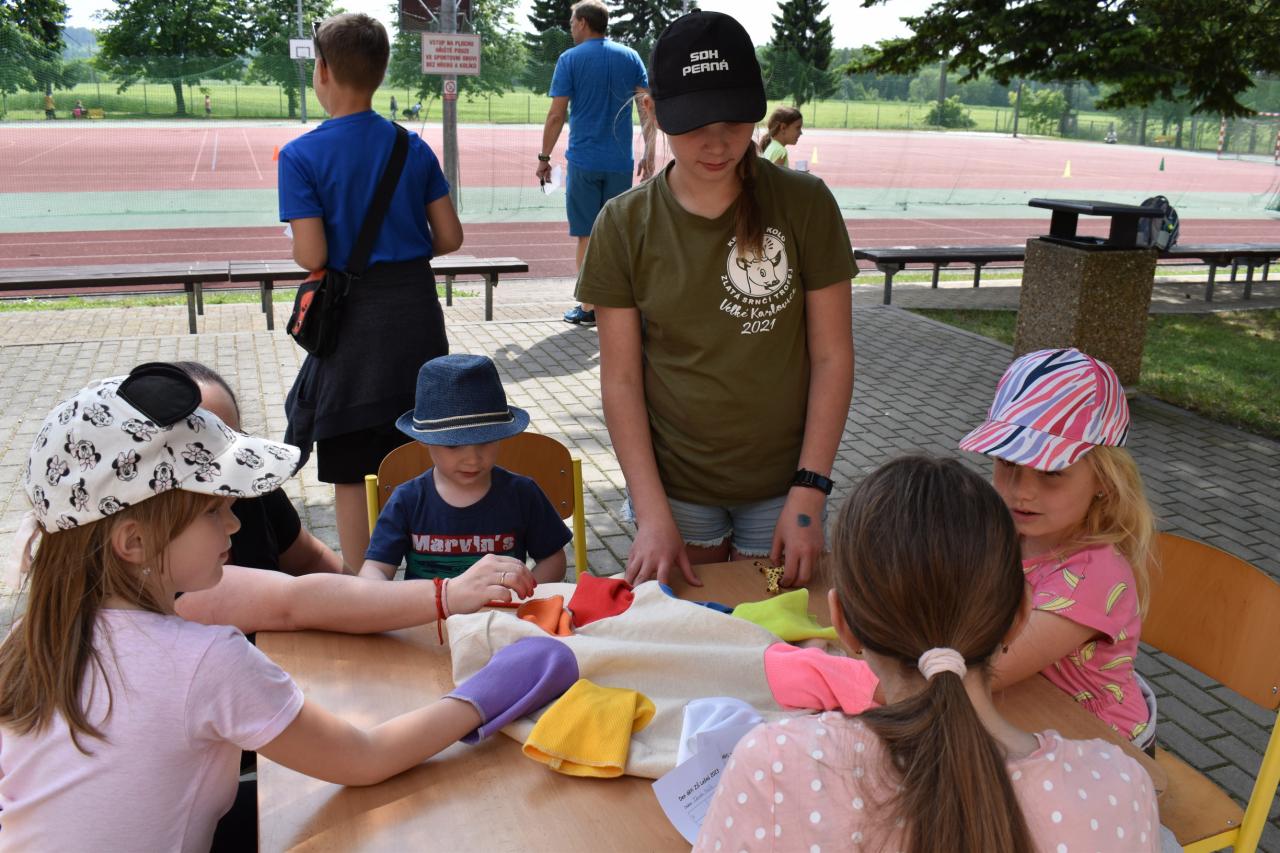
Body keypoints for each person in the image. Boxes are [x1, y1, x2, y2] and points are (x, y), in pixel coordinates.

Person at [0, 364, 563, 851]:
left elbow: (298, 599)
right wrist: (485, 694)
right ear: (134, 542)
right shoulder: (207, 659)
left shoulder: (32, 634)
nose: (235, 523)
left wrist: (444, 594)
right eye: (214, 510)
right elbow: (364, 759)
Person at [697, 455, 1160, 852]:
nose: (1024, 489)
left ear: (842, 622)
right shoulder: (1122, 786)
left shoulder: (773, 764)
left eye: (1051, 472)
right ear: (1021, 615)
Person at [577, 10, 855, 589]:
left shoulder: (805, 204)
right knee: (691, 630)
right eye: (694, 123)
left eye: (733, 120)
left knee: (776, 634)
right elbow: (621, 379)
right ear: (653, 110)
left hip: (786, 487)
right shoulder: (623, 223)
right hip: (675, 491)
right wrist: (651, 512)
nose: (717, 142)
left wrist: (810, 492)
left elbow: (832, 357)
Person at [280, 13, 463, 573]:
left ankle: (366, 590)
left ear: (322, 69)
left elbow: (312, 255)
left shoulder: (300, 156)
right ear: (381, 73)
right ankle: (432, 580)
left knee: (351, 470)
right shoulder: (413, 148)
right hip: (414, 319)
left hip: (352, 331)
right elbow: (450, 237)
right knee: (417, 454)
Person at [959, 347, 1157, 745]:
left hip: (1104, 749)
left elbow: (982, 675)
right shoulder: (1011, 533)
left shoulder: (1092, 577)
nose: (1022, 491)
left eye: (1051, 472)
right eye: (1008, 463)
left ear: (1104, 481)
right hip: (1028, 713)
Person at [359, 354, 570, 585]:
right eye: (453, 445)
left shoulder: (523, 493)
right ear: (424, 439)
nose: (472, 459)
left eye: (485, 441)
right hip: (429, 607)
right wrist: (372, 588)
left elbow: (553, 560)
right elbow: (376, 568)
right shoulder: (406, 500)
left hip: (502, 606)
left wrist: (520, 595)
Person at [536, 0, 654, 328]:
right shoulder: (630, 57)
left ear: (584, 23)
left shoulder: (569, 59)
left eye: (572, 22)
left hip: (584, 162)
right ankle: (621, 305)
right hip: (619, 162)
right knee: (617, 236)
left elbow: (556, 114)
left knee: (587, 236)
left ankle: (588, 308)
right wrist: (649, 151)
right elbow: (647, 108)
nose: (570, 27)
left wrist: (544, 158)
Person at [172, 360, 345, 576]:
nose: (233, 524)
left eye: (235, 445)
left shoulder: (254, 487)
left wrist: (364, 593)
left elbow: (311, 559)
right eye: (204, 454)